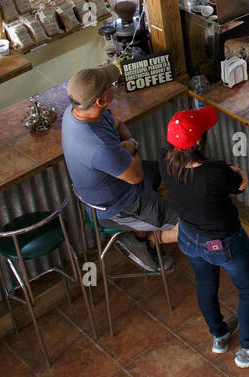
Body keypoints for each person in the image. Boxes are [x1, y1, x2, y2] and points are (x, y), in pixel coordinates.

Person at [164, 106, 249, 368]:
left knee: (206, 283)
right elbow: (239, 186)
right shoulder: (215, 172)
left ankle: (219, 335)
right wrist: (235, 173)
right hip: (223, 242)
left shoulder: (167, 162)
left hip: (189, 237)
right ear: (200, 141)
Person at [61, 63, 175, 273]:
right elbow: (136, 175)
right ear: (101, 100)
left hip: (119, 184)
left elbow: (118, 124)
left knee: (173, 175)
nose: (114, 86)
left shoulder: (76, 111)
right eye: (110, 85)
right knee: (187, 223)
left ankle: (141, 233)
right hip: (120, 204)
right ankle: (148, 241)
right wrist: (132, 145)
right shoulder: (98, 147)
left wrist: (129, 144)